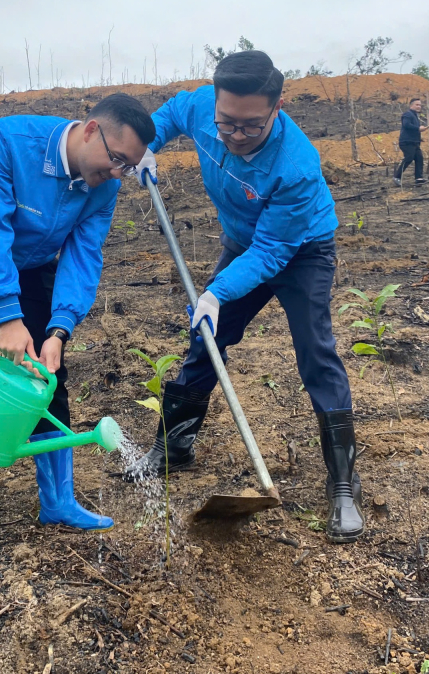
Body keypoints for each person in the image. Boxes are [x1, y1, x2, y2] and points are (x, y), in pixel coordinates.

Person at [123, 51, 362, 544]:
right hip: (240, 241)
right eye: (226, 122)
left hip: (301, 250)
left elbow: (273, 250)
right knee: (206, 340)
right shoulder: (204, 108)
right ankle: (173, 447)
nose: (235, 135)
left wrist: (217, 292)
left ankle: (343, 484)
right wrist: (147, 146)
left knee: (316, 353)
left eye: (251, 126)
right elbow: (170, 114)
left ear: (277, 108)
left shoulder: (296, 164)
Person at [0, 94, 156, 554]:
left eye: (128, 168)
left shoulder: (104, 186)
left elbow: (84, 254)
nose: (117, 173)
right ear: (90, 130)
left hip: (33, 262)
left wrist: (58, 330)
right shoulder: (10, 140)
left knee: (49, 377)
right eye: (116, 159)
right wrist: (7, 316)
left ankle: (58, 501)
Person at [394, 97, 429, 186]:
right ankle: (397, 177)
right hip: (406, 142)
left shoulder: (415, 116)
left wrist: (419, 137)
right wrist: (418, 128)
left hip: (414, 142)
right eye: (417, 105)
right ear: (411, 105)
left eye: (420, 105)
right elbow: (406, 125)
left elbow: (412, 129)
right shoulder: (407, 114)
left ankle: (419, 178)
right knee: (409, 157)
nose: (419, 106)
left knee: (419, 158)